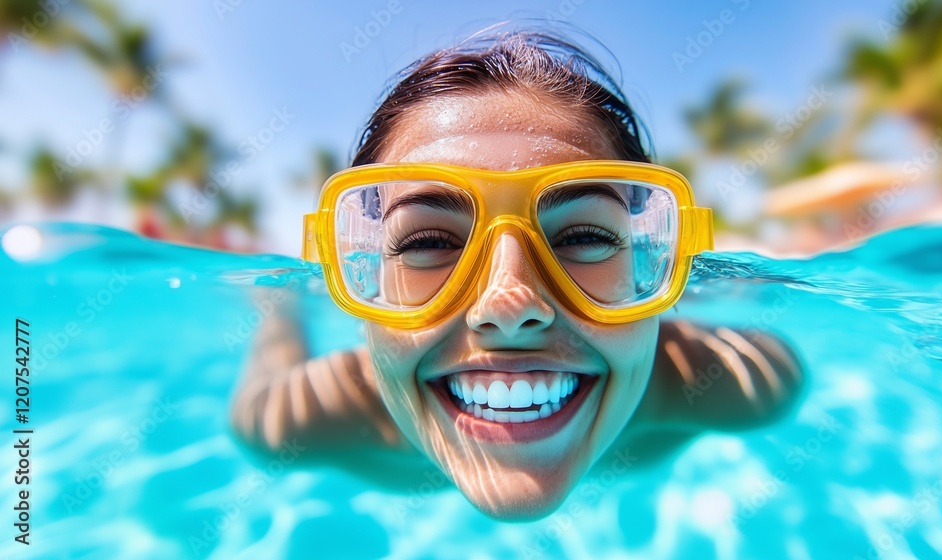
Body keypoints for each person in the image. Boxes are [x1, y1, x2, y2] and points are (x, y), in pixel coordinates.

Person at [229, 29, 803, 522]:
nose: (507, 306)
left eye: (583, 237)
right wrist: (276, 313)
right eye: (429, 242)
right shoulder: (294, 420)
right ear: (363, 287)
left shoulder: (733, 386)